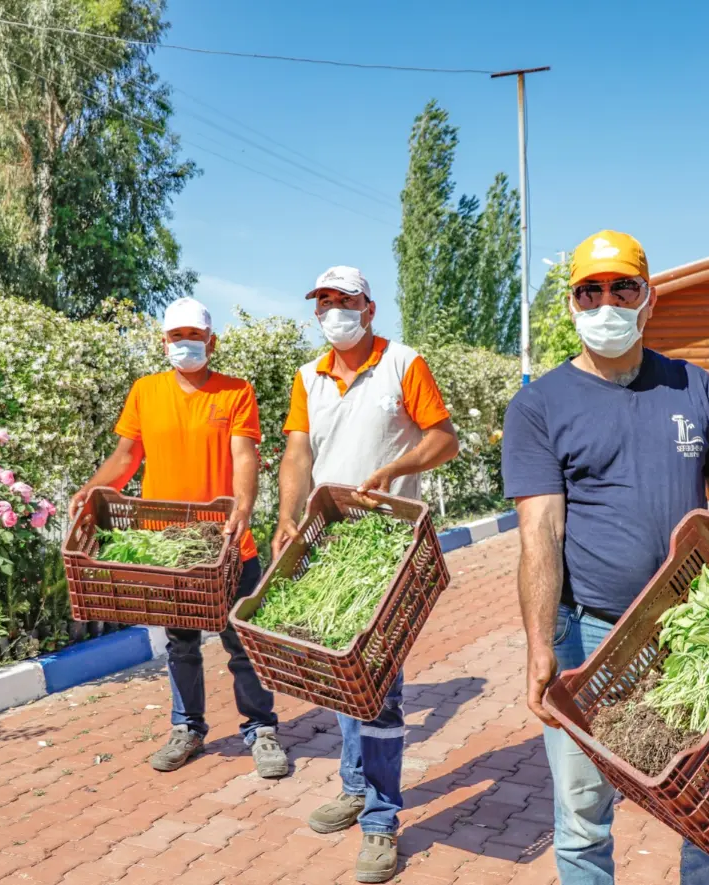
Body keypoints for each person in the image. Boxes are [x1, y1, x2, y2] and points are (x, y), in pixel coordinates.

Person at [502, 230, 709, 885]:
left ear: (649, 298)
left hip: (697, 629)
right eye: (589, 290)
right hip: (593, 635)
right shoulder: (539, 406)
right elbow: (539, 533)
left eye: (623, 286)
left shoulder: (692, 386)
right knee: (582, 814)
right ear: (570, 304)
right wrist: (541, 643)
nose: (607, 302)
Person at [273, 266, 459, 884]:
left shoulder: (404, 363)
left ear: (369, 308)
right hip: (329, 541)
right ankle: (355, 787)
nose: (332, 311)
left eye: (343, 301)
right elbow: (298, 452)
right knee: (340, 669)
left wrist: (394, 468)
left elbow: (445, 440)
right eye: (323, 302)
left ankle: (381, 820)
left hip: (387, 542)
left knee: (380, 681)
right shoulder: (309, 376)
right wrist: (287, 516)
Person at [70, 297, 288, 779]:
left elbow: (245, 456)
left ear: (212, 341)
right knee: (181, 642)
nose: (184, 344)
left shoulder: (236, 392)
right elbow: (126, 457)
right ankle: (186, 727)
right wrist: (92, 490)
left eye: (193, 335)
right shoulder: (146, 392)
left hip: (227, 543)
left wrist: (243, 506)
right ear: (163, 341)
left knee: (243, 642)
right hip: (167, 547)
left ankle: (261, 729)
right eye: (175, 336)